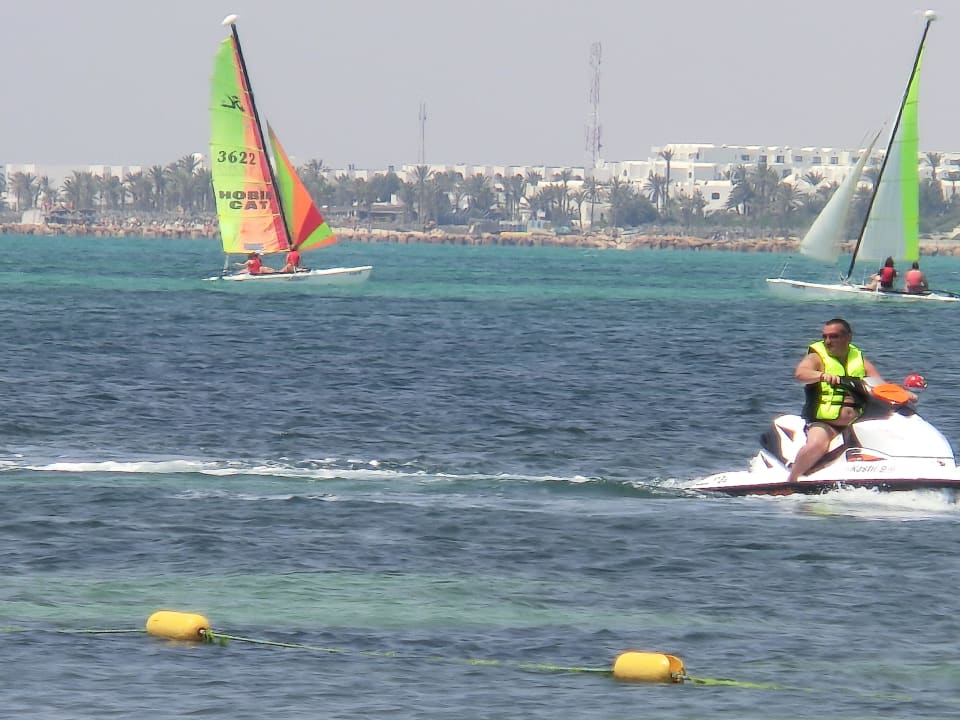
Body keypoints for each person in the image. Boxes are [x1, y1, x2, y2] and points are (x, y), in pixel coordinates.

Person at [786, 318, 883, 484]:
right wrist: (822, 376)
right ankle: (791, 481)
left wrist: (904, 394)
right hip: (825, 423)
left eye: (834, 337)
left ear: (848, 337)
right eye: (825, 337)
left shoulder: (859, 360)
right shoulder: (816, 357)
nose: (828, 341)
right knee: (817, 444)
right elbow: (801, 373)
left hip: (856, 423)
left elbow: (880, 384)